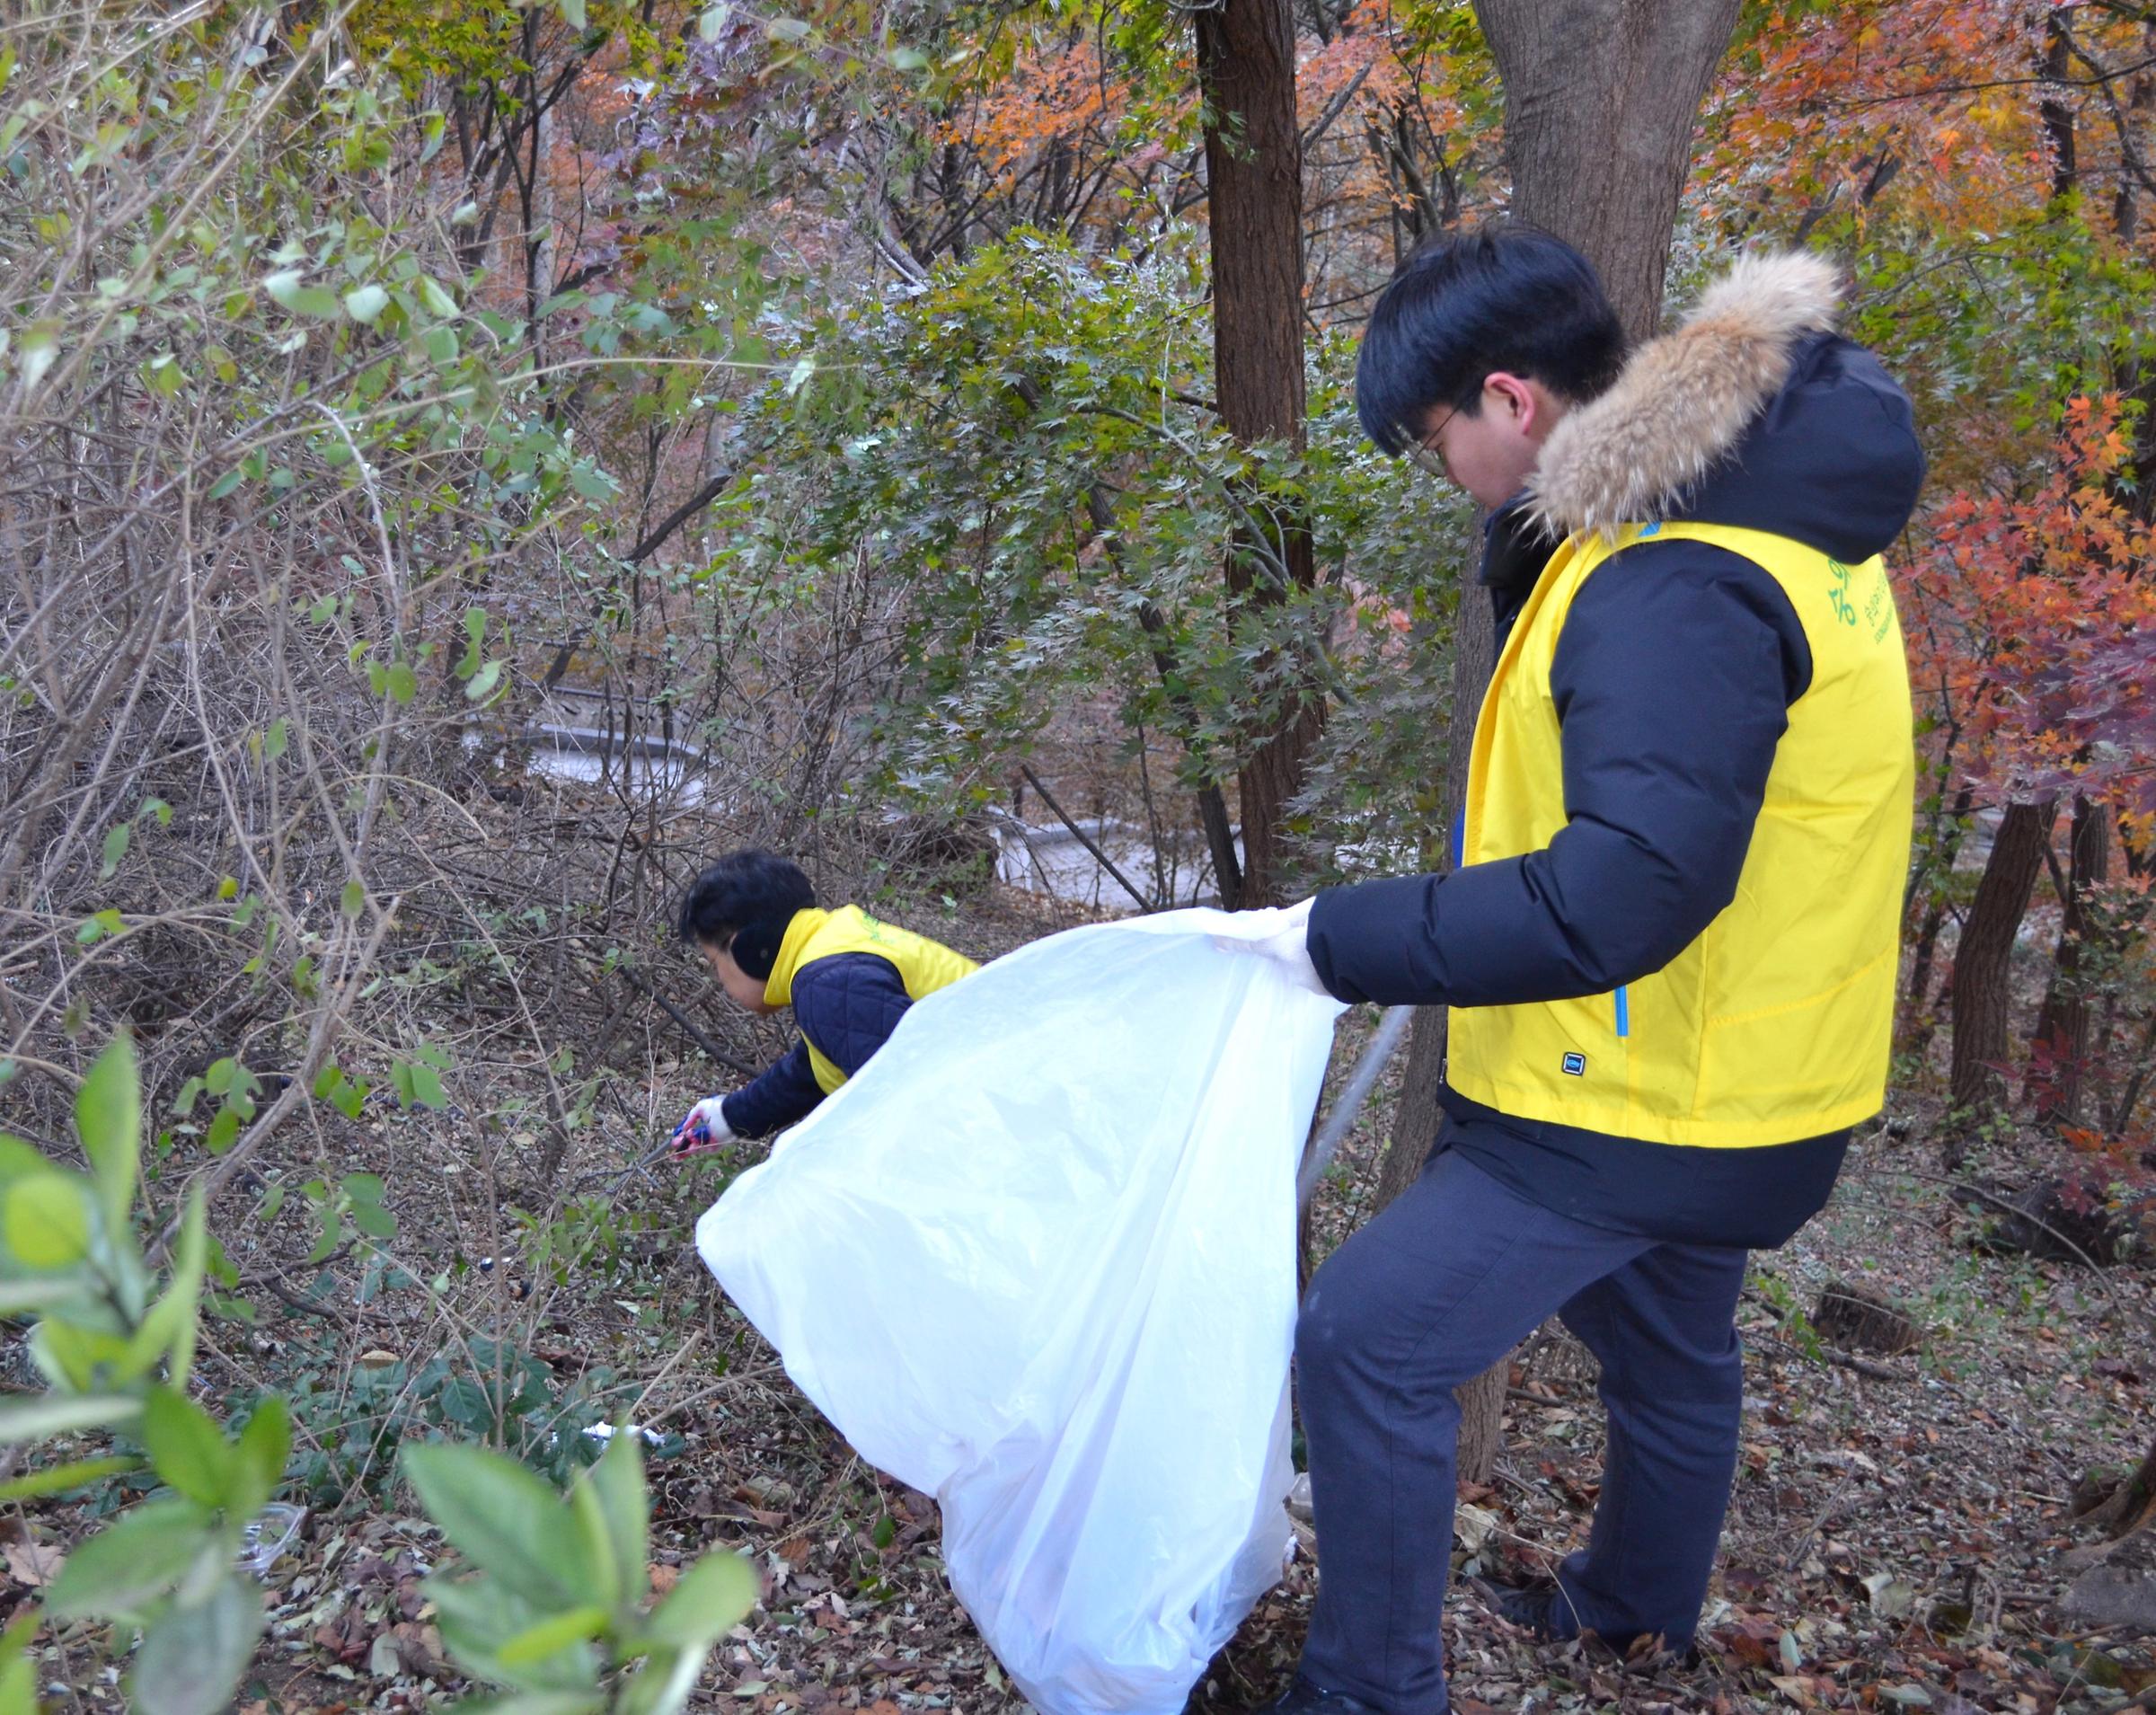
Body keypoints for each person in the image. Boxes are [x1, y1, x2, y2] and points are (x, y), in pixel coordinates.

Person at [1242, 228, 1924, 1715]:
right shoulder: (1766, 523)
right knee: (1667, 1335)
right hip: (1746, 1076)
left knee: (1366, 1341)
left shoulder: (1676, 575)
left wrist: (1342, 933)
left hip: (1639, 1095)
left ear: (1511, 397)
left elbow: (1627, 890)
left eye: (1439, 441)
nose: (1450, 475)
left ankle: (1368, 1691)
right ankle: (1632, 1615)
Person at [671, 850, 978, 1152]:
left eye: (714, 963)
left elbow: (913, 1111)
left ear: (748, 949)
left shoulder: (828, 983)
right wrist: (728, 1118)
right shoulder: (837, 950)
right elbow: (815, 1069)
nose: (720, 980)